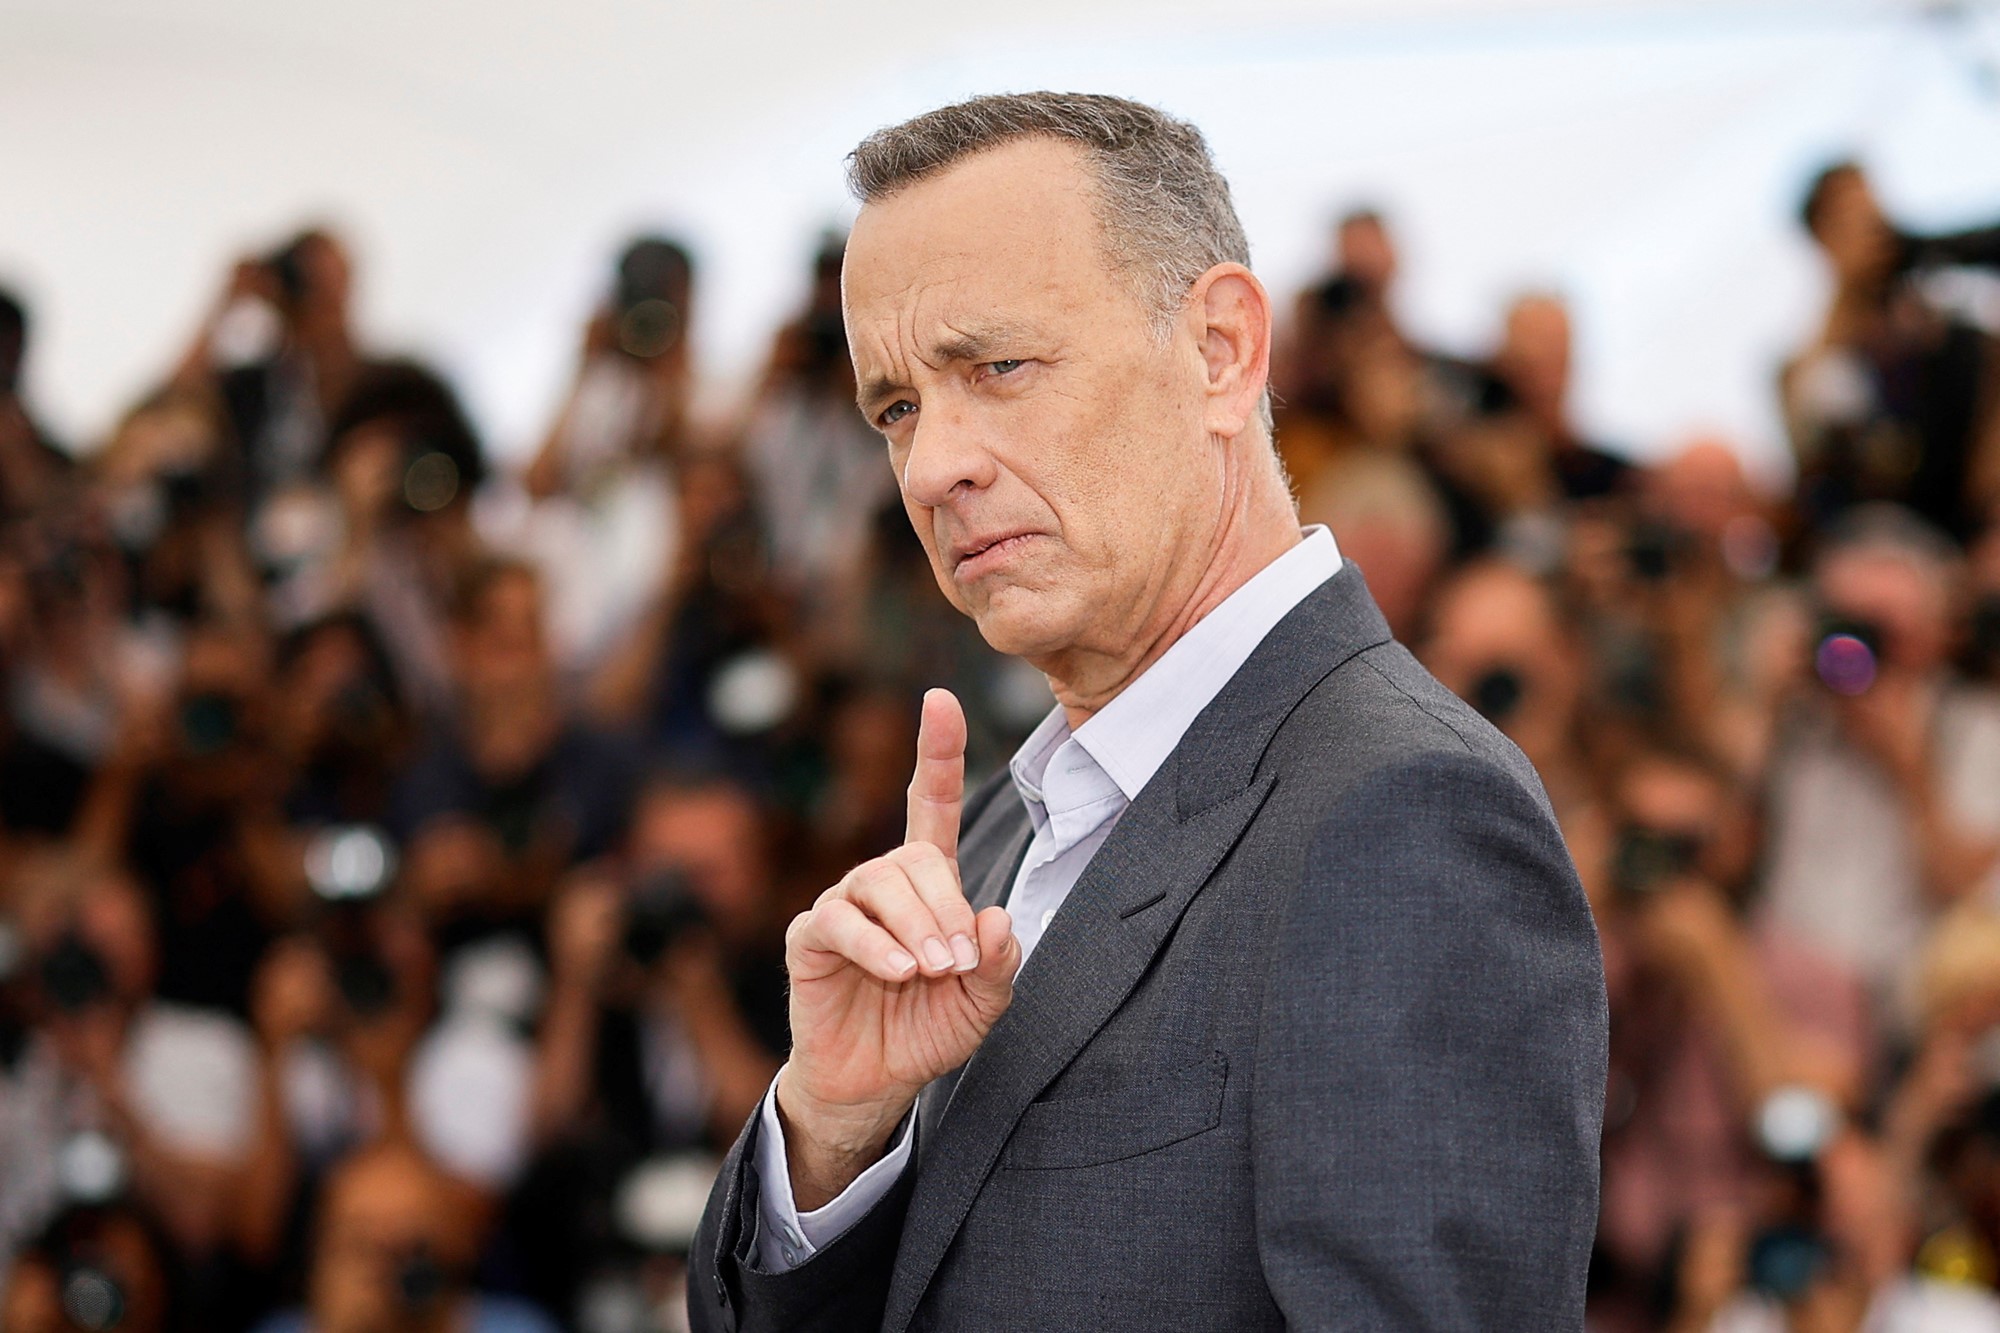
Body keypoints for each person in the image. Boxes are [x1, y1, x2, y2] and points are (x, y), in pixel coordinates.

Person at [687, 92, 1607, 1330]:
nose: (929, 465)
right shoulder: (996, 845)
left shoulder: (1406, 815)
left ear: (1220, 350)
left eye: (996, 367)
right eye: (896, 406)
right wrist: (834, 1133)